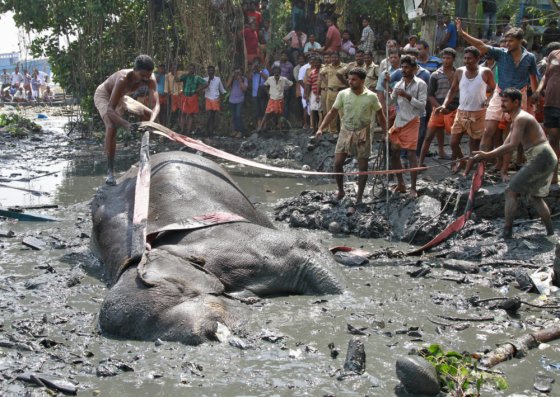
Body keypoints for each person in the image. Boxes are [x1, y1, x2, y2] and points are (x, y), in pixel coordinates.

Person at [457, 18, 538, 180]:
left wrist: (534, 95)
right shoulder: (500, 53)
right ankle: (481, 168)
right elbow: (481, 45)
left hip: (518, 96)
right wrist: (462, 33)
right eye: (505, 40)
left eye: (510, 40)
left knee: (510, 135)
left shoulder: (530, 58)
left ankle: (504, 171)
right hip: (500, 94)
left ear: (520, 41)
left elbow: (533, 77)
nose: (507, 43)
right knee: (488, 131)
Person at [472, 88, 557, 239]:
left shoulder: (521, 118)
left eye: (505, 101)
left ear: (516, 102)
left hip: (541, 156)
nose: (502, 104)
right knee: (536, 197)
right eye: (501, 100)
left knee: (510, 191)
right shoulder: (516, 118)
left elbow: (512, 145)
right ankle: (551, 233)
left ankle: (507, 232)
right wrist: (485, 156)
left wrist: (487, 154)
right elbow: (506, 144)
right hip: (543, 156)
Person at [315, 67, 387, 206]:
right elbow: (332, 112)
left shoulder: (371, 96)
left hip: (362, 133)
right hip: (345, 131)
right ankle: (341, 191)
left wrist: (385, 133)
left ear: (362, 80)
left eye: (354, 79)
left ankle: (359, 197)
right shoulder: (343, 94)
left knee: (363, 168)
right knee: (337, 164)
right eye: (349, 79)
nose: (350, 82)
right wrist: (321, 128)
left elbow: (380, 115)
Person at [93, 55, 160, 185]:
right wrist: (126, 124)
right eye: (142, 76)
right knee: (112, 126)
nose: (145, 79)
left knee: (148, 114)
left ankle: (147, 152)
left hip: (121, 96)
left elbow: (156, 105)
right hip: (105, 95)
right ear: (134, 70)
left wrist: (151, 122)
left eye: (148, 76)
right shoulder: (123, 79)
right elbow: (110, 110)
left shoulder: (150, 78)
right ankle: (110, 171)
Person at [437, 46, 495, 174]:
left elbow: (494, 89)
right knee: (453, 142)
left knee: (473, 145)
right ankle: (462, 162)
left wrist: (489, 99)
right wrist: (445, 104)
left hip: (478, 113)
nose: (466, 61)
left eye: (470, 59)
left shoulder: (485, 72)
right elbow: (452, 90)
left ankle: (469, 170)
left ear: (478, 59)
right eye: (465, 58)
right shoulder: (459, 71)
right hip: (461, 112)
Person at [388, 55, 427, 198]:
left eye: (407, 67)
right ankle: (401, 183)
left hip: (413, 120)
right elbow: (390, 102)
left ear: (414, 69)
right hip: (399, 121)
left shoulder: (421, 84)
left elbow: (422, 105)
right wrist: (388, 87)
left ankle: (413, 188)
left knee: (411, 155)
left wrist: (407, 96)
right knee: (394, 153)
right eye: (402, 67)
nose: (404, 70)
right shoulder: (398, 84)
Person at [419, 48, 458, 166]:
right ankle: (420, 163)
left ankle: (453, 162)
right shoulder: (435, 75)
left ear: (453, 59)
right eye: (444, 58)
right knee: (429, 136)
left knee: (454, 139)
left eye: (449, 58)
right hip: (438, 108)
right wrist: (440, 107)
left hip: (453, 109)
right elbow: (430, 95)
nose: (446, 60)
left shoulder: (458, 74)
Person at [535, 41, 560, 185]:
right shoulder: (553, 54)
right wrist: (538, 91)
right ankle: (553, 175)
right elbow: (546, 76)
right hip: (551, 103)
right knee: (553, 139)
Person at [258, 65, 294, 131]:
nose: (276, 74)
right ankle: (260, 127)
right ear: (273, 73)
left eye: (278, 73)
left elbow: (291, 84)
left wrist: (286, 90)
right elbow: (265, 85)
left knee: (279, 114)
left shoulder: (284, 79)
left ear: (280, 73)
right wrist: (268, 93)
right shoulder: (270, 79)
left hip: (280, 99)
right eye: (275, 73)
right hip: (272, 99)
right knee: (267, 113)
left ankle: (279, 127)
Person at [320, 52, 347, 134]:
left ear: (339, 57)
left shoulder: (345, 66)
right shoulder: (328, 67)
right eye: (332, 58)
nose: (333, 59)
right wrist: (326, 82)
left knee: (343, 113)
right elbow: (321, 74)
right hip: (330, 92)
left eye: (335, 57)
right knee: (331, 113)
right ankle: (333, 131)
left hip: (342, 92)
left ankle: (343, 132)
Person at [176, 64, 206, 135]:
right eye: (190, 68)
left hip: (193, 97)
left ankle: (188, 131)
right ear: (188, 69)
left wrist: (198, 90)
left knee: (191, 114)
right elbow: (177, 80)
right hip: (185, 96)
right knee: (183, 113)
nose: (191, 70)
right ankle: (182, 130)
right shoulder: (185, 76)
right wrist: (174, 72)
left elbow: (206, 83)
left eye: (192, 69)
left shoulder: (197, 77)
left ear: (194, 70)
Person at [203, 65, 227, 136]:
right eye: (209, 70)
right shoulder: (204, 79)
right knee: (209, 115)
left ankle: (211, 131)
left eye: (212, 70)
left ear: (214, 71)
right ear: (207, 71)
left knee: (213, 116)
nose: (211, 72)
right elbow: (203, 90)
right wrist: (208, 81)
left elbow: (221, 89)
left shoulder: (218, 79)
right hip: (208, 98)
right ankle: (206, 130)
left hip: (215, 99)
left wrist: (227, 94)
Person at [272, 51, 294, 119]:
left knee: (285, 104)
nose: (283, 57)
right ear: (280, 56)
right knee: (276, 104)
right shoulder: (276, 63)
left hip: (285, 88)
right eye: (282, 55)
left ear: (287, 57)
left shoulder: (290, 65)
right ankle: (277, 121)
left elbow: (291, 77)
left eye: (285, 56)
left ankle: (284, 121)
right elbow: (271, 73)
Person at [249, 59, 270, 128]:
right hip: (254, 94)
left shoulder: (264, 70)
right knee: (257, 111)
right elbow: (249, 78)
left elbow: (268, 79)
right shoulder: (253, 72)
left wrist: (260, 71)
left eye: (257, 64)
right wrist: (252, 69)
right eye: (255, 64)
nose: (256, 66)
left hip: (262, 94)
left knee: (263, 109)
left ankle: (264, 126)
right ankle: (259, 127)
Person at [227, 69, 248, 136]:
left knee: (238, 115)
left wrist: (240, 80)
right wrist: (232, 76)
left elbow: (244, 89)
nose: (237, 73)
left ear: (241, 72)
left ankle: (240, 131)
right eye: (236, 72)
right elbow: (227, 86)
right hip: (232, 100)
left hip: (240, 100)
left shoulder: (244, 79)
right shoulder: (232, 79)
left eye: (239, 72)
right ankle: (236, 130)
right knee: (234, 116)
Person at [164, 64, 185, 128]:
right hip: (173, 95)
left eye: (175, 69)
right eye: (172, 69)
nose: (174, 70)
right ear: (170, 69)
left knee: (182, 111)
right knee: (173, 111)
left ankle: (181, 125)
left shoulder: (181, 73)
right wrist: (167, 96)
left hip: (181, 94)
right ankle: (173, 124)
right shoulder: (167, 76)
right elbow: (166, 89)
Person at [305, 56, 322, 132]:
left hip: (323, 93)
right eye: (314, 62)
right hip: (314, 93)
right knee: (314, 110)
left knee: (321, 111)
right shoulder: (311, 72)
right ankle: (315, 128)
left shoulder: (323, 71)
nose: (316, 64)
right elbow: (308, 84)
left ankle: (321, 127)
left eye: (318, 62)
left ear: (320, 63)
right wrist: (307, 95)